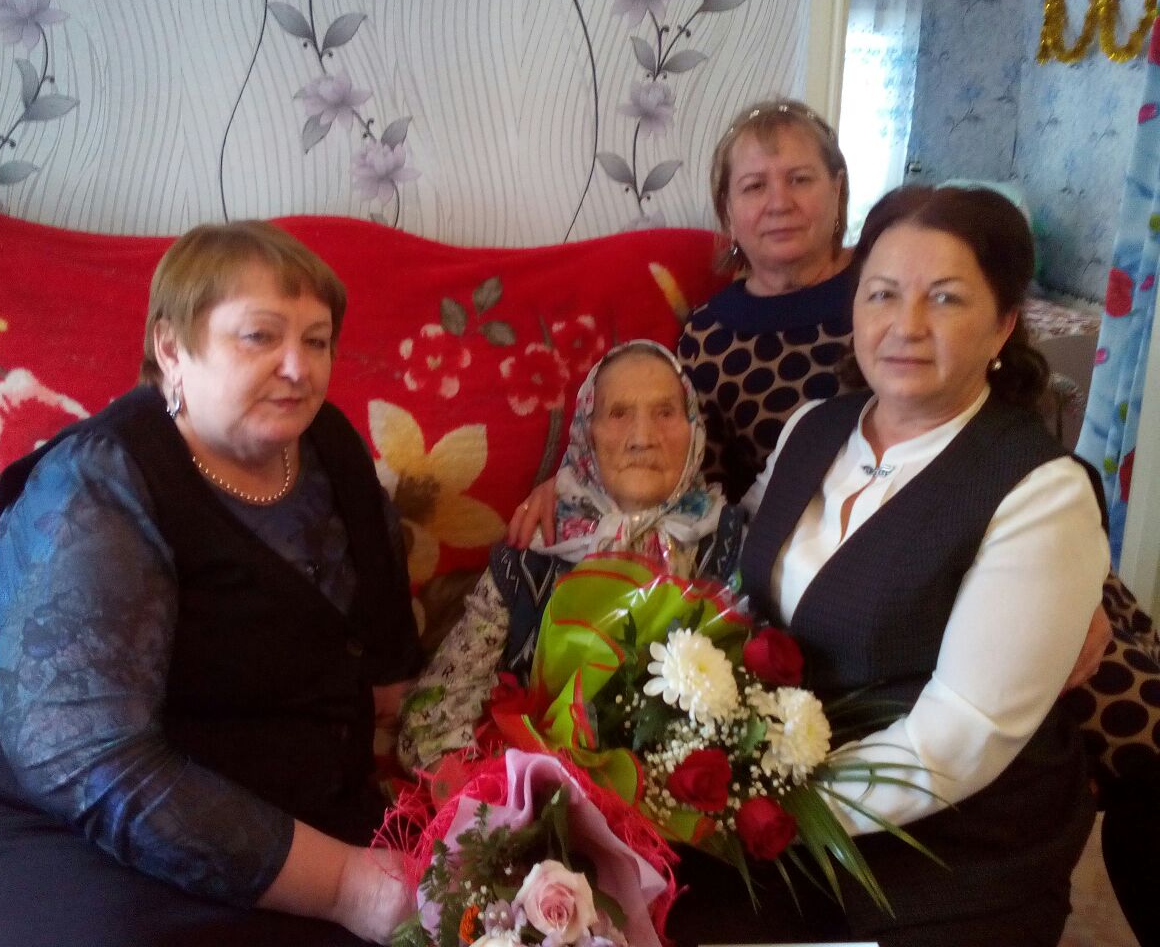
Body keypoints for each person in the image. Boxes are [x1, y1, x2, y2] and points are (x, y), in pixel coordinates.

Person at [507, 97, 1151, 763]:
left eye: (800, 178)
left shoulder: (895, 278)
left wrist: (1068, 587)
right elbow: (688, 472)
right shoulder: (707, 334)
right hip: (826, 577)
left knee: (1134, 722)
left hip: (990, 549)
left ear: (838, 190)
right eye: (754, 186)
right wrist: (581, 482)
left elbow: (1010, 458)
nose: (778, 202)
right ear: (727, 210)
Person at [0, 222, 421, 946]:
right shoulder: (95, 483)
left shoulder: (330, 449)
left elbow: (383, 664)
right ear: (171, 348)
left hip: (250, 798)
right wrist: (346, 883)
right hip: (25, 823)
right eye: (260, 336)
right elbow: (89, 762)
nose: (299, 367)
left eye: (317, 340)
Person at [673, 185, 1109, 946]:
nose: (906, 325)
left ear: (1004, 323)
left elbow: (961, 735)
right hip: (785, 795)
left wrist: (773, 810)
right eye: (881, 294)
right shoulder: (814, 426)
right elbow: (731, 563)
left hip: (954, 842)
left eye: (945, 298)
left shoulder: (1040, 492)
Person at [398, 341, 743, 772]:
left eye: (665, 412)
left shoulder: (729, 547)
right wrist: (512, 793)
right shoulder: (533, 555)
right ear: (586, 432)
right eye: (618, 413)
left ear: (693, 427)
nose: (643, 438)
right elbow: (431, 719)